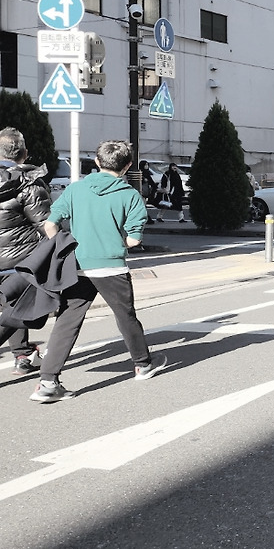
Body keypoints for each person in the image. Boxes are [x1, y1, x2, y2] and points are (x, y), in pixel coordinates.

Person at [29, 140, 167, 403]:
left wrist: (63, 248)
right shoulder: (130, 195)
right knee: (126, 316)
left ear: (96, 162)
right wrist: (115, 242)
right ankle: (142, 365)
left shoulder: (76, 189)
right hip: (111, 266)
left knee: (67, 320)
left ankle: (47, 382)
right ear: (127, 166)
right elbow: (134, 240)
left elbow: (50, 225)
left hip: (77, 264)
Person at [0, 128, 51, 372]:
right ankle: (22, 356)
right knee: (18, 307)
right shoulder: (28, 182)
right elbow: (45, 224)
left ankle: (22, 354)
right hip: (20, 259)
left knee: (13, 306)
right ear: (25, 153)